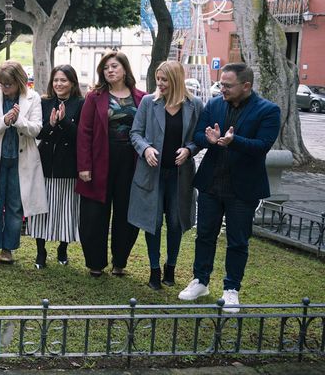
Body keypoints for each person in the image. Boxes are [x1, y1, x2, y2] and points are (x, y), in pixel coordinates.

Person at [178, 62, 280, 312]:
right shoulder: (214, 105)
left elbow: (262, 146)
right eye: (221, 83)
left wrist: (233, 141)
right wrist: (211, 140)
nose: (221, 88)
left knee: (237, 241)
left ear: (246, 86)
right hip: (211, 184)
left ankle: (231, 289)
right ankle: (200, 281)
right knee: (205, 235)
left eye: (227, 85)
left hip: (243, 189)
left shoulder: (268, 110)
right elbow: (198, 137)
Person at [128, 61, 204, 290]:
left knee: (175, 221)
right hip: (152, 173)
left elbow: (199, 137)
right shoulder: (148, 102)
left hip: (180, 175)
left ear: (177, 80)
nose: (159, 84)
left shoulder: (194, 105)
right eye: (158, 79)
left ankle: (171, 266)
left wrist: (189, 149)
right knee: (153, 221)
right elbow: (135, 133)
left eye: (164, 80)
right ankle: (154, 269)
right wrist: (146, 149)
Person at [76, 51, 146, 278]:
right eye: (106, 68)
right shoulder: (94, 97)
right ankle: (95, 263)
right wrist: (84, 166)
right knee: (94, 214)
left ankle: (120, 262)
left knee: (126, 214)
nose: (110, 71)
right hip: (99, 161)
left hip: (131, 163)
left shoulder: (142, 98)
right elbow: (84, 133)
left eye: (114, 66)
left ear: (125, 69)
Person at [0, 61, 47, 265]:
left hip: (21, 160)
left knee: (15, 206)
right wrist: (4, 121)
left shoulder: (33, 98)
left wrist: (17, 121)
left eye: (8, 84)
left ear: (19, 81)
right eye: (0, 84)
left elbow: (36, 129)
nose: (4, 88)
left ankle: (8, 248)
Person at [28, 65, 84, 269]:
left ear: (72, 82)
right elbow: (38, 133)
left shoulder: (81, 103)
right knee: (41, 210)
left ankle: (62, 248)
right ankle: (40, 251)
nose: (59, 84)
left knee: (66, 210)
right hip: (45, 164)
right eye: (56, 80)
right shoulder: (44, 102)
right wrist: (51, 125)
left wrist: (64, 122)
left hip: (68, 166)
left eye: (64, 80)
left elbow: (81, 135)